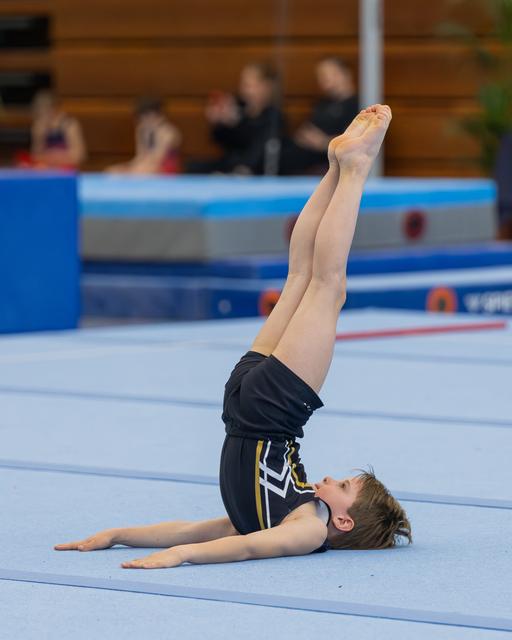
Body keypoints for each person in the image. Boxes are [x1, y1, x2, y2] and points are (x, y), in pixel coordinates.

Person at [55, 105, 412, 569]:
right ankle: (342, 168)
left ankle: (346, 169)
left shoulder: (304, 529)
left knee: (321, 283)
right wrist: (126, 537)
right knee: (308, 279)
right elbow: (207, 533)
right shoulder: (284, 512)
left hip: (266, 411)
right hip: (247, 405)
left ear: (342, 522)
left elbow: (231, 544)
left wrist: (166, 552)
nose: (330, 478)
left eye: (342, 487)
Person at [187, 62, 285, 175]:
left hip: (253, 169)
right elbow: (220, 140)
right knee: (193, 167)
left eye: (249, 85)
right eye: (243, 84)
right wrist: (221, 123)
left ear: (266, 87)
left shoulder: (273, 116)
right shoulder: (239, 107)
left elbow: (259, 150)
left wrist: (237, 123)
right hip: (230, 163)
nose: (244, 89)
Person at [279, 56, 359, 175]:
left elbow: (356, 142)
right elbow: (307, 130)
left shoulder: (357, 105)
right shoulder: (323, 104)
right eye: (321, 76)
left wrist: (324, 142)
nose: (324, 79)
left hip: (330, 165)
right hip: (302, 160)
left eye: (330, 74)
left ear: (346, 74)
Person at [106, 97, 181, 175]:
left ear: (159, 116)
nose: (143, 121)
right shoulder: (141, 130)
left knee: (138, 173)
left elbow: (158, 158)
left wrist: (135, 169)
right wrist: (129, 166)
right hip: (146, 165)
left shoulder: (169, 133)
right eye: (141, 118)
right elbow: (140, 155)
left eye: (147, 117)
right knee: (112, 171)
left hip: (165, 168)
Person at [21, 90, 87, 170]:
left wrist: (55, 158)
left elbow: (79, 156)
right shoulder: (38, 126)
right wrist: (40, 135)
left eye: (43, 112)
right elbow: (36, 155)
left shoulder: (70, 124)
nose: (40, 117)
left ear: (54, 109)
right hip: (46, 170)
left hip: (66, 170)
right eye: (38, 113)